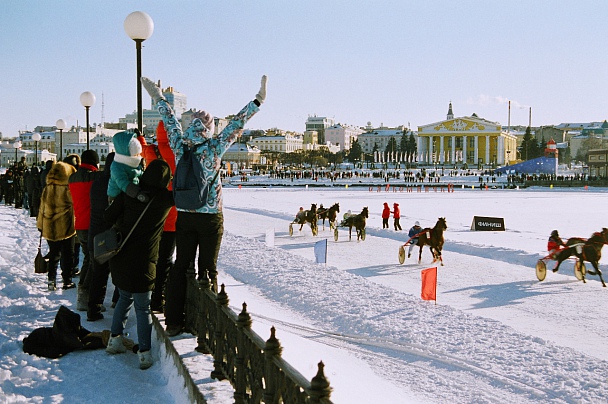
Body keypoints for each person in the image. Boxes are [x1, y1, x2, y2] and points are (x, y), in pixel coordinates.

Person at [141, 74, 267, 337]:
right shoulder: (214, 147)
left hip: (185, 215)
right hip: (210, 218)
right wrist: (257, 101)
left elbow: (169, 119)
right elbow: (236, 124)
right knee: (207, 269)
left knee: (180, 267)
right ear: (208, 129)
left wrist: (157, 96)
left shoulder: (179, 145)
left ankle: (174, 321)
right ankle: (207, 326)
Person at [104, 159, 174, 370]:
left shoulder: (130, 193)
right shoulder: (165, 199)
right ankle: (144, 353)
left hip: (121, 257)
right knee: (143, 307)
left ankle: (114, 340)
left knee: (124, 297)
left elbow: (108, 216)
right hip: (145, 261)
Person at [137, 121, 178, 313]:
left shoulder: (151, 151)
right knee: (166, 260)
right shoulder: (178, 153)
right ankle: (159, 298)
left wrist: (140, 137)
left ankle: (149, 292)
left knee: (152, 256)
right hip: (173, 213)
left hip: (154, 213)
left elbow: (141, 149)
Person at [68, 150, 104, 311]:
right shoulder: (95, 177)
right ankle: (85, 295)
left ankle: (84, 295)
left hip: (79, 223)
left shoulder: (73, 177)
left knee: (88, 259)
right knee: (92, 261)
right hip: (92, 224)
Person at [86, 153, 118, 321]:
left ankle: (93, 309)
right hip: (111, 235)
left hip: (95, 233)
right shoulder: (117, 183)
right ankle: (116, 302)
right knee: (118, 272)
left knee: (98, 275)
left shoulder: (97, 183)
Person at [37, 162, 77, 291]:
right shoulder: (68, 189)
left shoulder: (47, 188)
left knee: (54, 254)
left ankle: (51, 280)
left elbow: (41, 209)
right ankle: (67, 280)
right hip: (67, 226)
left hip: (50, 226)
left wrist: (40, 225)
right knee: (68, 254)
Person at [107, 130, 147, 203]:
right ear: (128, 155)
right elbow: (123, 182)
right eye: (136, 155)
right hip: (116, 197)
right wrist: (138, 193)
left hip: (130, 194)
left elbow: (139, 174)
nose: (138, 157)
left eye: (139, 154)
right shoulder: (117, 167)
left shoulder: (134, 164)